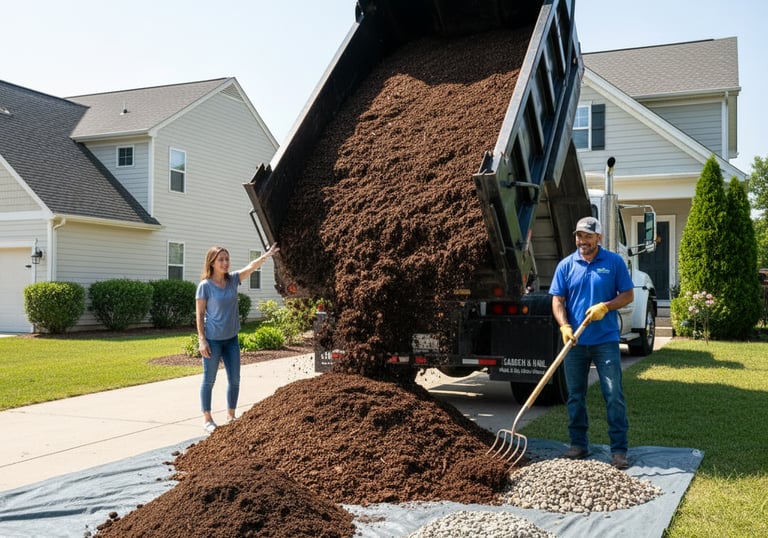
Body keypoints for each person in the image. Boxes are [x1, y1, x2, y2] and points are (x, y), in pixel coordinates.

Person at [549, 216, 634, 470]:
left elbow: (628, 295)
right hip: (575, 342)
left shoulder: (614, 262)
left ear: (599, 238)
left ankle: (619, 450)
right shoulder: (566, 265)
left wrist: (605, 307)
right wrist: (564, 326)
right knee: (575, 395)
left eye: (587, 236)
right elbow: (557, 301)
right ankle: (578, 444)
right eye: (578, 236)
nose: (582, 241)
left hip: (605, 341)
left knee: (613, 394)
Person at [196, 243, 279, 433]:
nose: (225, 263)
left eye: (227, 259)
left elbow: (250, 267)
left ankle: (231, 416)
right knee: (209, 380)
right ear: (212, 263)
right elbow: (200, 315)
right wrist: (202, 339)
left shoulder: (233, 280)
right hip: (213, 340)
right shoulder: (205, 286)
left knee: (234, 380)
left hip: (231, 339)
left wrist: (266, 256)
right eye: (221, 260)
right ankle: (207, 418)